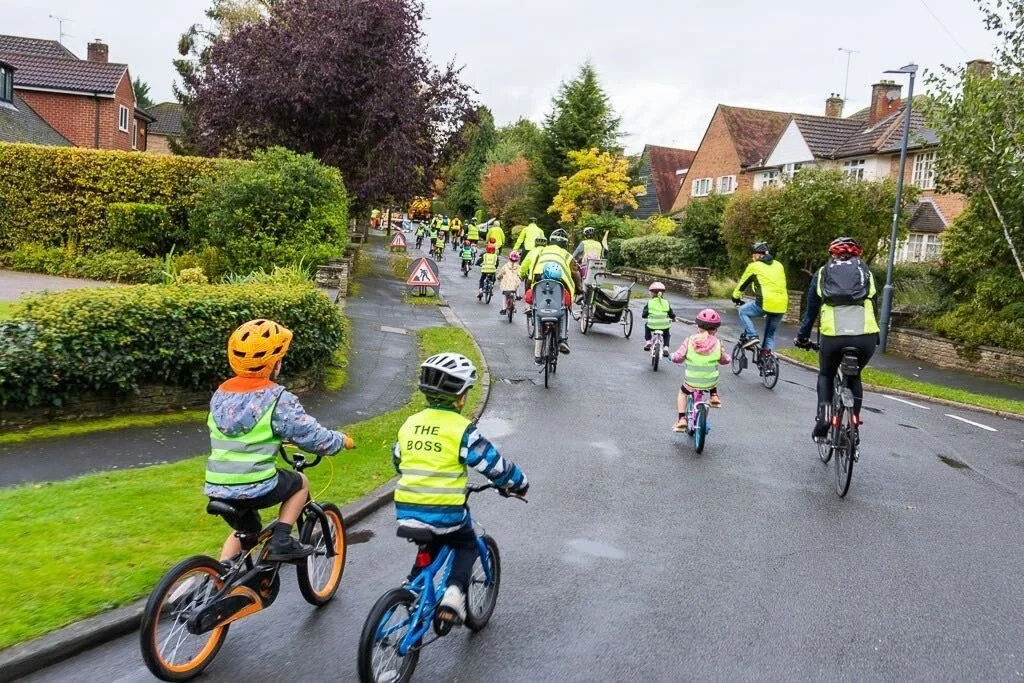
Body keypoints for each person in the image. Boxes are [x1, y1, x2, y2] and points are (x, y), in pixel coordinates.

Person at [393, 353, 528, 623]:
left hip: (405, 509)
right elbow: (493, 464)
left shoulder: (410, 424)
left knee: (432, 541)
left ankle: (412, 586)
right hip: (445, 511)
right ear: (461, 397)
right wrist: (518, 483)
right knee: (465, 542)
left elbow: (398, 460)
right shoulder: (461, 429)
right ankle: (454, 594)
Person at [205, 320, 354, 563]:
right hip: (255, 485)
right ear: (274, 363)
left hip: (217, 486)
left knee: (246, 532)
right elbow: (310, 435)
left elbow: (243, 429)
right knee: (300, 483)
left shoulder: (221, 394)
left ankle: (219, 577)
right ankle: (282, 540)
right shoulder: (276, 399)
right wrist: (340, 441)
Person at [795, 237, 879, 440]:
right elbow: (874, 305)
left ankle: (824, 418)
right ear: (856, 254)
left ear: (832, 254)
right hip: (865, 336)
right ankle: (853, 426)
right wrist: (875, 337)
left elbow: (811, 310)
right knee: (855, 376)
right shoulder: (866, 272)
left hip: (834, 337)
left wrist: (803, 337)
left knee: (826, 375)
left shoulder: (823, 273)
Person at [669, 309, 731, 428]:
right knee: (711, 374)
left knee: (682, 393)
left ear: (698, 326)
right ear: (716, 329)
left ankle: (681, 419)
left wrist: (670, 356)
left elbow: (679, 357)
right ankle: (714, 396)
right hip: (710, 382)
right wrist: (728, 358)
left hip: (691, 381)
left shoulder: (690, 340)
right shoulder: (718, 343)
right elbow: (724, 360)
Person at [732, 241, 788, 353]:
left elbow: (742, 284)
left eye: (753, 255)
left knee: (743, 311)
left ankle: (752, 336)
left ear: (758, 255)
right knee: (770, 335)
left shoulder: (754, 266)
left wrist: (735, 297)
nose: (752, 258)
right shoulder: (779, 265)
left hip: (765, 303)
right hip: (781, 305)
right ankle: (767, 360)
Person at [527, 261, 574, 363]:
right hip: (556, 315)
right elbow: (568, 301)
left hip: (541, 314)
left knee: (538, 328)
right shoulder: (561, 289)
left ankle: (537, 356)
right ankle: (563, 338)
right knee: (565, 311)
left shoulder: (537, 287)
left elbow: (528, 298)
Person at [641, 282, 676, 357]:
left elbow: (644, 313)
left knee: (646, 326)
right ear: (662, 293)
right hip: (664, 325)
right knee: (666, 334)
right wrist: (673, 318)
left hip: (652, 325)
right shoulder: (666, 302)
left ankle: (648, 342)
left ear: (652, 293)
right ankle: (666, 348)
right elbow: (670, 313)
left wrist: (644, 317)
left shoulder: (650, 302)